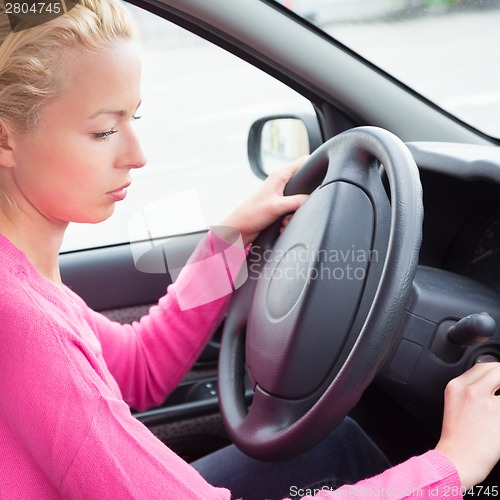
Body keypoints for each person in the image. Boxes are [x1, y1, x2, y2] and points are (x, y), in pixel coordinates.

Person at [0, 1, 499, 499]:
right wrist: (453, 463)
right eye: (104, 130)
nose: (137, 155)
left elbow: (137, 370)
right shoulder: (21, 322)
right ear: (6, 139)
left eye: (134, 117)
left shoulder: (25, 281)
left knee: (340, 446)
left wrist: (232, 237)